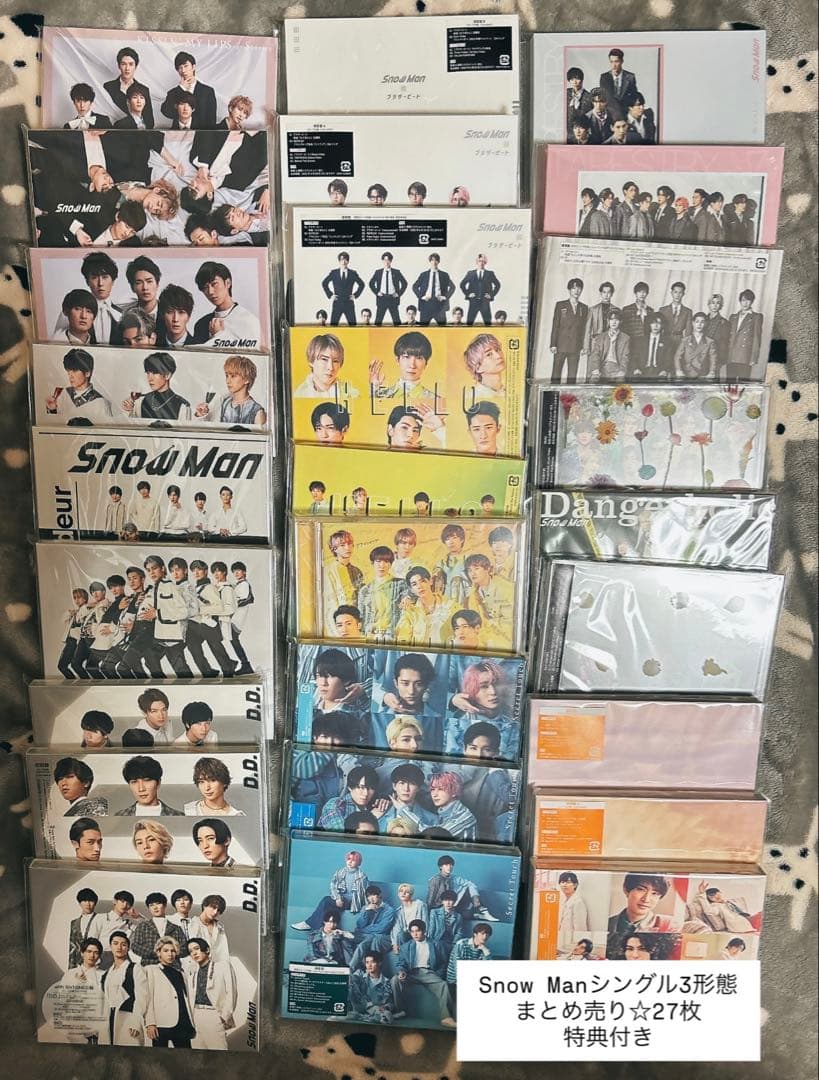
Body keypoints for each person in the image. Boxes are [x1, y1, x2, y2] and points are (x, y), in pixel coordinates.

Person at [391, 920, 456, 1027]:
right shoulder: (406, 946)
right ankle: (400, 1010)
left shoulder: (436, 944)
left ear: (424, 931)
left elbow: (443, 963)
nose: (415, 934)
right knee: (395, 980)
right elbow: (401, 963)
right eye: (412, 932)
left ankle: (446, 1017)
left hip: (428, 972)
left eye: (418, 931)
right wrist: (401, 972)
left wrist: (438, 974)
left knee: (444, 985)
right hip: (411, 973)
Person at [291, 849, 369, 931]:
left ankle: (309, 924)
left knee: (326, 900)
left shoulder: (362, 876)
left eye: (353, 860)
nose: (350, 862)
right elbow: (333, 885)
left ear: (359, 863)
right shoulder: (340, 872)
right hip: (340, 899)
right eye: (349, 859)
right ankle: (320, 929)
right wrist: (337, 898)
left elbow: (364, 893)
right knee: (329, 907)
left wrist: (367, 906)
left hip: (352, 903)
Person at [192, 261, 262, 349]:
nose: (210, 291)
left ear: (227, 283)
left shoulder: (248, 321)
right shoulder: (201, 325)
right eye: (205, 287)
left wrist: (218, 336)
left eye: (214, 284)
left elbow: (253, 355)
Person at [144, 936, 196, 1047]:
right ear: (158, 952)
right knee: (160, 1056)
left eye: (173, 951)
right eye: (166, 951)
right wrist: (150, 1023)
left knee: (186, 1056)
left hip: (183, 1023)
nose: (170, 954)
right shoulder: (150, 970)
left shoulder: (180, 973)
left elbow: (185, 999)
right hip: (162, 1023)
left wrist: (191, 1023)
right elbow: (147, 999)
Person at [185, 938, 235, 1049]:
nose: (194, 953)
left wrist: (223, 1017)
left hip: (213, 1014)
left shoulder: (222, 966)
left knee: (218, 1051)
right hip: (195, 1015)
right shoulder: (192, 971)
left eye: (197, 948)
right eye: (191, 951)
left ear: (207, 950)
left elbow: (231, 993)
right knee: (197, 1052)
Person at [102, 930, 148, 1045]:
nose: (119, 947)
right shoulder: (107, 973)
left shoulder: (135, 968)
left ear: (128, 948)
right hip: (109, 1019)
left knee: (128, 1052)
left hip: (128, 1019)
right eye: (115, 943)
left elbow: (142, 997)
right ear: (110, 946)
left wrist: (136, 1022)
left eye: (123, 944)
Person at [395, 566, 458, 647]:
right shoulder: (410, 611)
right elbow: (403, 637)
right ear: (411, 589)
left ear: (430, 581)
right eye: (414, 584)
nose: (419, 586)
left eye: (423, 581)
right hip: (419, 652)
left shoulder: (450, 605)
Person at [45, 347, 113, 421]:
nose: (70, 376)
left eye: (75, 371)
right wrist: (52, 409)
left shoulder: (100, 402)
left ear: (87, 373)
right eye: (69, 371)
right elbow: (55, 423)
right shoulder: (63, 394)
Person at [358, 546, 407, 638]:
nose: (382, 565)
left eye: (386, 562)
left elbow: (412, 596)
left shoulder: (401, 584)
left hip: (394, 633)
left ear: (391, 564)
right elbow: (360, 616)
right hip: (371, 634)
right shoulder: (365, 591)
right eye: (378, 561)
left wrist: (408, 598)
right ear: (372, 563)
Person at [160, 50, 216, 128]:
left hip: (200, 133)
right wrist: (181, 88)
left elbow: (211, 121)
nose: (183, 70)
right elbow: (166, 111)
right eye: (180, 68)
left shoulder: (208, 91)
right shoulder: (174, 92)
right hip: (178, 133)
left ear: (193, 67)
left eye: (186, 66)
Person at [103, 46, 155, 128]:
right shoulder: (108, 87)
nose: (127, 68)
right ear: (119, 66)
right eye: (123, 64)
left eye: (131, 64)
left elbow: (150, 121)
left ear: (136, 66)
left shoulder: (144, 89)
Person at [608, 873, 676, 935]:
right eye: (641, 889)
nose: (646, 900)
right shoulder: (608, 923)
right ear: (626, 890)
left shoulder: (669, 926)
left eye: (654, 893)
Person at [549, 278, 589, 382]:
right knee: (556, 374)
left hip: (575, 346)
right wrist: (553, 344)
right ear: (569, 290)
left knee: (572, 375)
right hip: (561, 345)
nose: (577, 291)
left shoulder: (584, 308)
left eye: (579, 288)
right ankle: (553, 392)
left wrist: (583, 346)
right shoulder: (560, 305)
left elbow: (584, 329)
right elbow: (555, 325)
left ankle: (569, 393)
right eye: (574, 288)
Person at [117, 754, 183, 816]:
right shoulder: (120, 815)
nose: (141, 789)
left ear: (158, 783)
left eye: (147, 780)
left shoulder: (178, 815)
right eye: (134, 782)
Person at [688, 881, 757, 933]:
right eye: (712, 896)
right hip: (738, 925)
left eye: (716, 893)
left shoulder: (728, 902)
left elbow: (740, 911)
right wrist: (702, 894)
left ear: (720, 892)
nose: (715, 896)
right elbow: (709, 911)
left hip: (745, 920)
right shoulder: (716, 906)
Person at [347, 951, 395, 1023]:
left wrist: (386, 1007)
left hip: (375, 1011)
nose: (369, 965)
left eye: (372, 962)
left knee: (387, 1015)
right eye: (367, 962)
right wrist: (349, 977)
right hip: (358, 1007)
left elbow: (390, 1002)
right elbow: (353, 979)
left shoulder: (386, 982)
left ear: (379, 963)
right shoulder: (360, 974)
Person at [446, 923, 493, 995]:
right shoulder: (461, 944)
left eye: (487, 935)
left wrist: (485, 951)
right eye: (482, 934)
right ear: (475, 934)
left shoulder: (483, 949)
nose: (485, 937)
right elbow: (458, 968)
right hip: (455, 981)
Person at [726, 289, 763, 378]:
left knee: (743, 382)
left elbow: (757, 338)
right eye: (743, 300)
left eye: (748, 300)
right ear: (740, 301)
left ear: (752, 302)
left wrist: (754, 358)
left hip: (745, 356)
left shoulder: (756, 317)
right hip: (731, 356)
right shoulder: (733, 317)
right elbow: (728, 338)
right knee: (729, 382)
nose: (745, 303)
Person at [322, 251, 366, 325]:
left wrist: (355, 295)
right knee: (333, 325)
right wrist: (330, 295)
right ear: (339, 261)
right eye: (342, 259)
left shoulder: (352, 273)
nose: (343, 262)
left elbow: (362, 284)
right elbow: (324, 283)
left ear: (348, 261)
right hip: (337, 303)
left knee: (353, 326)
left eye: (345, 259)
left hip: (349, 303)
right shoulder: (334, 273)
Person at [412, 252, 456, 325]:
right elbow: (414, 286)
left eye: (436, 260)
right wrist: (421, 297)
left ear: (438, 262)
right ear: (430, 261)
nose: (434, 262)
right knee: (423, 328)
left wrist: (445, 297)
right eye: (432, 260)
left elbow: (453, 287)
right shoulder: (424, 275)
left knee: (443, 328)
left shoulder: (444, 275)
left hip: (440, 306)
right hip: (426, 305)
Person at [588, 308, 630, 380]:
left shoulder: (625, 338)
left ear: (620, 322)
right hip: (602, 367)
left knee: (620, 383)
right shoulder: (600, 337)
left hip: (617, 368)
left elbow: (625, 357)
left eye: (616, 320)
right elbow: (595, 354)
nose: (614, 322)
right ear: (608, 321)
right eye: (611, 320)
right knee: (593, 380)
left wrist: (622, 370)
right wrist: (596, 369)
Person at [674, 311, 718, 378]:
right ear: (693, 323)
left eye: (702, 322)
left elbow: (713, 359)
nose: (699, 324)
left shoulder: (710, 342)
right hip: (686, 374)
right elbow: (677, 357)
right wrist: (678, 370)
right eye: (697, 322)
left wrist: (712, 372)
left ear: (705, 324)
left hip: (702, 374)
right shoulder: (685, 340)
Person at [368, 251, 407, 326]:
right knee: (378, 321)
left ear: (391, 261)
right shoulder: (378, 272)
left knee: (397, 321)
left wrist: (398, 293)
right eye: (385, 260)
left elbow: (404, 283)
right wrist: (377, 292)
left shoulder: (396, 272)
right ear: (382, 261)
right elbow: (371, 283)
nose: (386, 262)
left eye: (388, 260)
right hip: (382, 298)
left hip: (393, 299)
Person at [460, 254, 500, 326]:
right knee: (469, 323)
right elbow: (462, 284)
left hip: (485, 302)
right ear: (477, 262)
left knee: (488, 323)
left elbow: (498, 285)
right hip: (473, 301)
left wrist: (491, 295)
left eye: (483, 261)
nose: (481, 263)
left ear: (485, 263)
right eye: (480, 261)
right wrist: (468, 294)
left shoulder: (490, 273)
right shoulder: (471, 273)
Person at [598, 48, 638, 120]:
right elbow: (607, 99)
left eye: (616, 61)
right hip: (610, 116)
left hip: (626, 115)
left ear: (622, 61)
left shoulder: (630, 77)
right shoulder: (604, 78)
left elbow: (634, 97)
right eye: (611, 62)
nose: (614, 65)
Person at [189, 895, 230, 963]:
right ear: (205, 906)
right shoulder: (192, 924)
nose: (215, 912)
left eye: (218, 910)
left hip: (218, 965)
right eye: (213, 907)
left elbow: (224, 954)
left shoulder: (219, 928)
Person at [556, 871, 590, 952]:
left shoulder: (578, 902)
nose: (564, 885)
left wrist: (577, 947)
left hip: (572, 942)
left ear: (575, 885)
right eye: (562, 882)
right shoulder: (563, 900)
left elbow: (580, 928)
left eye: (568, 882)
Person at [68, 889, 103, 968]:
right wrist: (71, 967)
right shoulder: (74, 923)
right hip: (78, 964)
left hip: (96, 962)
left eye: (91, 901)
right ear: (80, 903)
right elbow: (72, 946)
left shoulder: (101, 918)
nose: (87, 904)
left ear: (95, 903)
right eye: (84, 901)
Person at [582, 281, 616, 354]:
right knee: (594, 361)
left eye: (609, 292)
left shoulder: (616, 310)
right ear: (601, 294)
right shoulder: (593, 309)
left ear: (612, 294)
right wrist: (586, 347)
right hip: (595, 342)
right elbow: (588, 329)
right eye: (604, 292)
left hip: (610, 343)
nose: (606, 295)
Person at [659, 282, 694, 353]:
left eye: (680, 292)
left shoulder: (687, 311)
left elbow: (688, 331)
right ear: (671, 293)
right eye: (675, 292)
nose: (677, 295)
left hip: (679, 342)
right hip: (665, 340)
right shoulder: (663, 310)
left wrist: (685, 345)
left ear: (683, 294)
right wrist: (660, 341)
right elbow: (659, 328)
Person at [703, 293, 731, 372]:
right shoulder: (703, 319)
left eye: (718, 303)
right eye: (713, 303)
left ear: (721, 305)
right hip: (701, 355)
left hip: (715, 355)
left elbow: (724, 342)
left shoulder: (724, 323)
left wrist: (721, 359)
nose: (715, 305)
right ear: (709, 304)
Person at [566, 67, 592, 132]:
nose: (574, 81)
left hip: (582, 131)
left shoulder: (589, 97)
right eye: (572, 79)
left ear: (582, 79)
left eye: (577, 78)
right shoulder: (566, 93)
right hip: (566, 130)